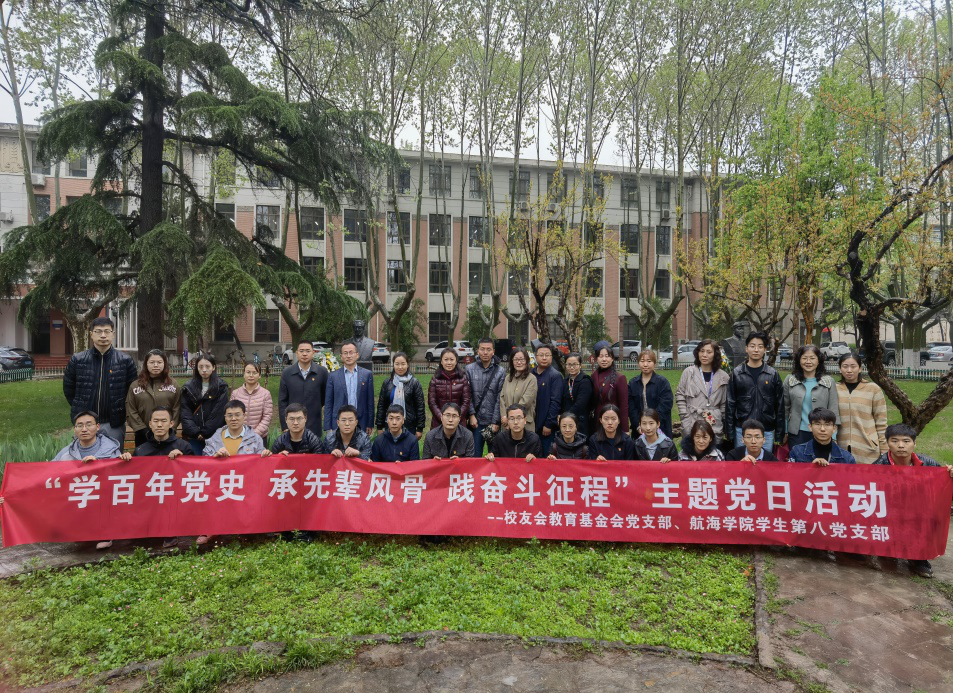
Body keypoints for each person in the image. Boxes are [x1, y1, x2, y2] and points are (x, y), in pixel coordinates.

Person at [873, 423, 953, 578]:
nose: (900, 446)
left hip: (918, 512)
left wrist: (950, 477)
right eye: (894, 441)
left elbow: (944, 492)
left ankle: (918, 558)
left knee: (929, 519)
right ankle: (888, 548)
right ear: (887, 443)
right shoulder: (878, 466)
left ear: (914, 443)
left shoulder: (929, 464)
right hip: (890, 511)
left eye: (906, 441)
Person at [119, 406, 192, 550]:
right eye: (156, 421)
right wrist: (126, 460)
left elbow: (195, 473)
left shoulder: (183, 446)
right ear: (150, 424)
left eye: (163, 421)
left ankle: (171, 531)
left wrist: (183, 459)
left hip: (175, 495)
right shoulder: (141, 450)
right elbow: (133, 477)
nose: (159, 425)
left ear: (171, 423)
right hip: (150, 494)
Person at [63, 317, 139, 445]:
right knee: (84, 455)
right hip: (85, 423)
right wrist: (80, 407)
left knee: (113, 456)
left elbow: (131, 391)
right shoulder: (78, 360)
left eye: (107, 331)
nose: (103, 335)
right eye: (98, 331)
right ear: (91, 334)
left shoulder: (125, 361)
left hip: (113, 423)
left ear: (113, 334)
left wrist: (121, 408)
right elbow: (69, 389)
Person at [725, 331, 783, 452]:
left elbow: (780, 405)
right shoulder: (737, 374)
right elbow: (730, 404)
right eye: (752, 346)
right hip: (742, 430)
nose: (756, 350)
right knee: (742, 461)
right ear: (746, 348)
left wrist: (779, 433)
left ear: (765, 349)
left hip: (766, 430)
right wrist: (729, 431)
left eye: (760, 346)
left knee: (764, 462)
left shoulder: (772, 374)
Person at [835, 352, 888, 464]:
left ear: (860, 368)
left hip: (867, 448)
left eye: (853, 366)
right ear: (840, 369)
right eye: (845, 366)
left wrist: (884, 447)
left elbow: (881, 421)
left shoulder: (873, 389)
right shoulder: (834, 389)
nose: (849, 370)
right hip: (840, 447)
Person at [783, 345, 839, 448]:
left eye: (812, 358)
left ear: (819, 361)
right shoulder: (790, 380)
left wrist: (833, 435)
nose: (808, 362)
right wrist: (785, 431)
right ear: (799, 360)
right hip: (797, 433)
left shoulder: (828, 381)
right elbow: (785, 408)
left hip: (822, 431)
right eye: (804, 358)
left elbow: (833, 409)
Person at [675, 339, 730, 443]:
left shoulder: (723, 376)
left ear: (715, 354)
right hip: (692, 421)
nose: (704, 355)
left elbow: (724, 403)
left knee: (713, 451)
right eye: (702, 351)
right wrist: (684, 416)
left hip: (714, 423)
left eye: (709, 352)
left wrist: (721, 418)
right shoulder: (689, 372)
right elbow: (680, 395)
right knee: (692, 451)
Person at [126, 349, 181, 447]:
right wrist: (142, 430)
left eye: (159, 362)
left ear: (164, 364)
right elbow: (131, 409)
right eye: (152, 362)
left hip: (167, 435)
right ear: (146, 364)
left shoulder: (173, 384)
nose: (155, 365)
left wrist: (171, 428)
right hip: (143, 435)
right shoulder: (135, 386)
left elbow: (177, 408)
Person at [181, 354, 230, 456]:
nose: (204, 370)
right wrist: (196, 432)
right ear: (197, 368)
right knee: (196, 463)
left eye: (207, 366)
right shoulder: (188, 387)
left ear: (213, 367)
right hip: (194, 437)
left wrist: (205, 432)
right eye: (201, 367)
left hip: (215, 436)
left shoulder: (221, 387)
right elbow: (185, 412)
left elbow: (218, 413)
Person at [279, 340, 329, 439]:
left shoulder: (322, 372)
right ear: (297, 353)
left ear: (313, 352)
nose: (304, 354)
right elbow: (282, 401)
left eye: (308, 351)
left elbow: (325, 397)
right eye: (301, 351)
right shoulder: (287, 373)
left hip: (314, 423)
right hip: (293, 424)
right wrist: (285, 425)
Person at [324, 340, 374, 435]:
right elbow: (329, 403)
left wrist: (370, 423)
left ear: (357, 355)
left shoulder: (367, 375)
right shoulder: (333, 376)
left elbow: (370, 402)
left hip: (361, 421)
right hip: (339, 422)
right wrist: (328, 426)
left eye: (351, 352)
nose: (348, 356)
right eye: (345, 353)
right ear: (341, 356)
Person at [465, 338, 506, 455]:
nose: (485, 352)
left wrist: (495, 421)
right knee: (475, 455)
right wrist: (471, 415)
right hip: (476, 421)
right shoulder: (469, 369)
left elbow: (500, 397)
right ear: (478, 350)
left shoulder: (500, 371)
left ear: (493, 351)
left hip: (492, 422)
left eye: (488, 349)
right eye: (482, 349)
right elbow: (467, 394)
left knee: (494, 455)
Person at [376, 352, 426, 438]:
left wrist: (420, 428)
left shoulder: (414, 383)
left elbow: (420, 407)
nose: (400, 367)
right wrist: (379, 426)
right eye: (397, 364)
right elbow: (381, 405)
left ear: (407, 365)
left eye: (403, 364)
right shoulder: (387, 383)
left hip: (409, 425)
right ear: (393, 365)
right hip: (390, 424)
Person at [628, 349, 674, 438]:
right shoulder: (633, 383)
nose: (645, 364)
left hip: (660, 428)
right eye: (642, 361)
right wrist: (638, 425)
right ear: (638, 363)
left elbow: (666, 404)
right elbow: (631, 407)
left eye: (649, 361)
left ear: (654, 363)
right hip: (639, 430)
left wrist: (653, 424)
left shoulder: (662, 382)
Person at [788, 408, 856, 465]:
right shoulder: (797, 452)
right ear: (810, 427)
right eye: (817, 424)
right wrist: (810, 468)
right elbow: (790, 475)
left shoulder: (847, 458)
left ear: (834, 428)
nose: (822, 429)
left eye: (827, 424)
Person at [427, 348, 473, 431]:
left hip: (459, 422)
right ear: (441, 361)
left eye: (451, 359)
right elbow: (432, 402)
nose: (449, 363)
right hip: (439, 422)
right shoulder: (435, 380)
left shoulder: (463, 379)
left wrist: (457, 417)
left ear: (456, 361)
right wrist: (441, 417)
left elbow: (466, 401)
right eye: (446, 359)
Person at [590, 341, 629, 434]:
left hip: (613, 422)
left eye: (607, 356)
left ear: (612, 358)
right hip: (598, 422)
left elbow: (624, 406)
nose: (604, 359)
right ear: (597, 359)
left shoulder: (620, 378)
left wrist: (625, 429)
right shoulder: (593, 377)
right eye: (601, 356)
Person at [532, 343, 564, 456]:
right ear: (536, 357)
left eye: (547, 355)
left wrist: (549, 424)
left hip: (546, 427)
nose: (544, 358)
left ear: (551, 357)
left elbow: (556, 402)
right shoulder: (531, 374)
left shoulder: (555, 376)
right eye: (541, 355)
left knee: (546, 456)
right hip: (532, 424)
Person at [53, 411, 122, 462]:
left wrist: (97, 463)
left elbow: (116, 471)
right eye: (80, 426)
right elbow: (51, 470)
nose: (84, 429)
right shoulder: (66, 453)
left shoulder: (111, 450)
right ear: (74, 429)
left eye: (89, 425)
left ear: (98, 427)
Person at [232, 362, 274, 443]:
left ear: (259, 375)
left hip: (259, 437)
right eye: (248, 372)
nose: (251, 375)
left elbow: (267, 417)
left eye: (254, 373)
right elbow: (231, 415)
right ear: (244, 374)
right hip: (239, 437)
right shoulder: (236, 393)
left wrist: (254, 434)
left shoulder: (265, 394)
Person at [499, 347, 537, 432]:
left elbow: (525, 402)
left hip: (524, 424)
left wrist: (510, 417)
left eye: (522, 359)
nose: (519, 362)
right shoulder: (508, 378)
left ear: (527, 361)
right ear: (512, 361)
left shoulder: (531, 379)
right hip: (506, 424)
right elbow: (502, 398)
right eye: (516, 359)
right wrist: (504, 416)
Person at [561, 352, 594, 436]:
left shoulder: (585, 381)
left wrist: (567, 417)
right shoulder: (565, 381)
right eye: (569, 364)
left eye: (575, 364)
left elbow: (581, 403)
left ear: (580, 365)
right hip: (566, 421)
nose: (572, 367)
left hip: (580, 420)